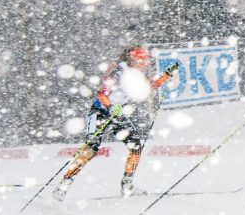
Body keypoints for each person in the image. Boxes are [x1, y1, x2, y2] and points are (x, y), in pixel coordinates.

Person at [52, 46, 178, 201]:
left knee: (135, 146)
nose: (144, 64)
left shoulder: (137, 74)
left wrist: (166, 75)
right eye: (141, 61)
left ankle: (127, 185)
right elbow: (102, 94)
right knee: (91, 148)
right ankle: (63, 185)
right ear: (133, 60)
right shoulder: (119, 72)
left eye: (146, 61)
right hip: (99, 111)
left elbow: (150, 85)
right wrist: (110, 107)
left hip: (117, 113)